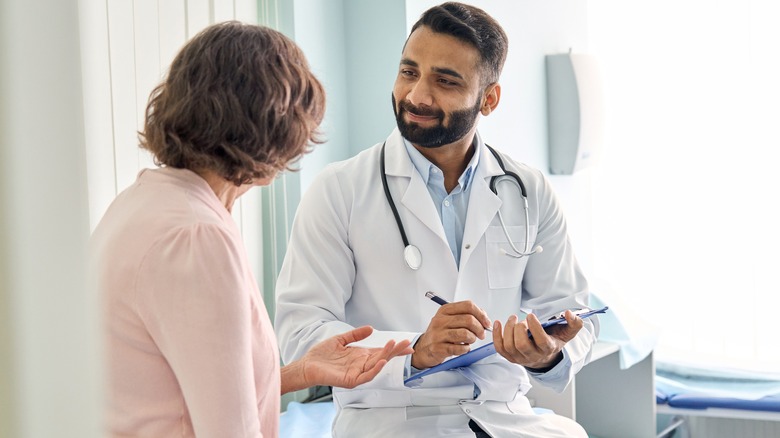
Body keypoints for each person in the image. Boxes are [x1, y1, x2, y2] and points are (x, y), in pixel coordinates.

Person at [274, 2, 599, 437]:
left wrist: (547, 353)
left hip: (504, 417)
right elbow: (301, 332)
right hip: (390, 418)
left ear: (489, 98)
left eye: (445, 81)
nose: (417, 95)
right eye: (409, 72)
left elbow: (573, 314)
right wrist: (415, 350)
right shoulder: (339, 191)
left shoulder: (528, 191)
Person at [89, 22, 413, 438]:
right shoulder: (196, 237)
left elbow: (186, 391)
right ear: (274, 126)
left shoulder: (144, 202)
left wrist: (301, 372)